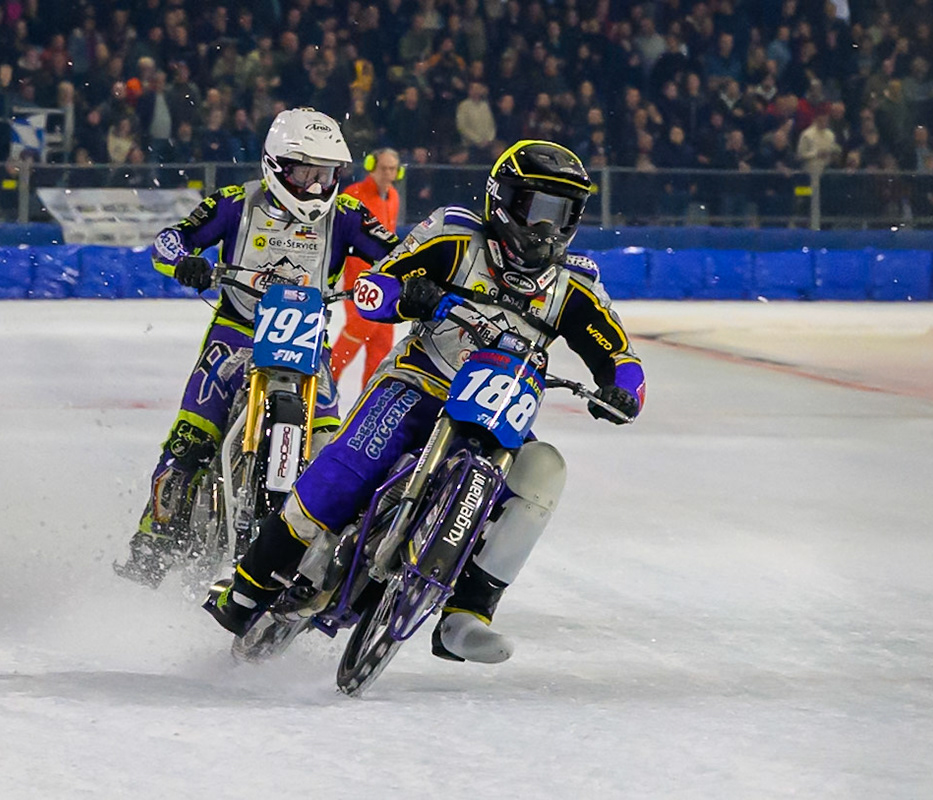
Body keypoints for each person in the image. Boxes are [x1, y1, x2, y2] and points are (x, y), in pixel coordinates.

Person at [206, 141, 646, 664]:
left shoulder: (575, 285)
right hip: (419, 384)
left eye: (562, 213)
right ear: (503, 200)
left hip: (502, 411)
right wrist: (406, 295)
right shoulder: (453, 236)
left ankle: (468, 615)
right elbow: (374, 287)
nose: (547, 228)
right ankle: (249, 587)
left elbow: (620, 353)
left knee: (545, 471)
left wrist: (622, 389)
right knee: (346, 470)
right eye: (537, 208)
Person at [114, 107, 399, 587]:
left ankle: (328, 561)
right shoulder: (233, 202)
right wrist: (186, 263)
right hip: (235, 334)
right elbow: (168, 241)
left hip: (308, 340)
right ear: (277, 165)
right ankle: (151, 545)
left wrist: (409, 284)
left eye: (327, 173)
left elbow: (400, 254)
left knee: (334, 451)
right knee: (188, 443)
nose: (316, 185)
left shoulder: (348, 214)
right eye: (306, 171)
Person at [329, 148, 402, 393]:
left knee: (382, 344)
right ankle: (327, 378)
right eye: (384, 168)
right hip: (358, 283)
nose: (389, 174)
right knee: (358, 330)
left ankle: (369, 396)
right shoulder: (354, 196)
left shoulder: (393, 197)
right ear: (371, 166)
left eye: (393, 169)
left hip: (385, 283)